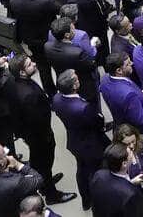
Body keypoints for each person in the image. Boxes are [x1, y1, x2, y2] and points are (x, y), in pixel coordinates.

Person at [5, 56, 76, 205]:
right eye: (30, 64)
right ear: (22, 72)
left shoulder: (15, 82)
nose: (35, 64)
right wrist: (47, 136)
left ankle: (44, 181)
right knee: (43, 162)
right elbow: (37, 121)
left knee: (40, 162)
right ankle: (51, 194)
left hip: (29, 133)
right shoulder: (29, 95)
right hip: (40, 136)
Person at [52, 71, 109, 211]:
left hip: (74, 141)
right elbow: (97, 122)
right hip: (91, 144)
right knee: (97, 172)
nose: (79, 80)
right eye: (77, 79)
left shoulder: (57, 98)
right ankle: (100, 201)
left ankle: (86, 200)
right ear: (74, 86)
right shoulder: (83, 108)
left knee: (82, 170)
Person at [88, 143, 143, 216]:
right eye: (130, 153)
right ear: (124, 164)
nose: (132, 153)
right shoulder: (132, 194)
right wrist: (129, 186)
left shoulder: (99, 175)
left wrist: (129, 183)